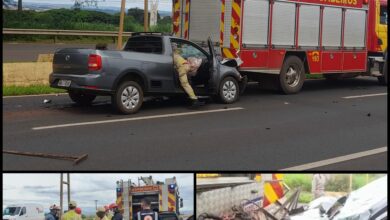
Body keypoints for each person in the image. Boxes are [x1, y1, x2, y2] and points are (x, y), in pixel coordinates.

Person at [172, 43, 205, 108]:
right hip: (186, 65)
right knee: (187, 83)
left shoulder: (172, 55)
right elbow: (179, 50)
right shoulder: (177, 53)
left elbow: (174, 65)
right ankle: (194, 99)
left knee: (185, 84)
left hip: (182, 68)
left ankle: (194, 100)